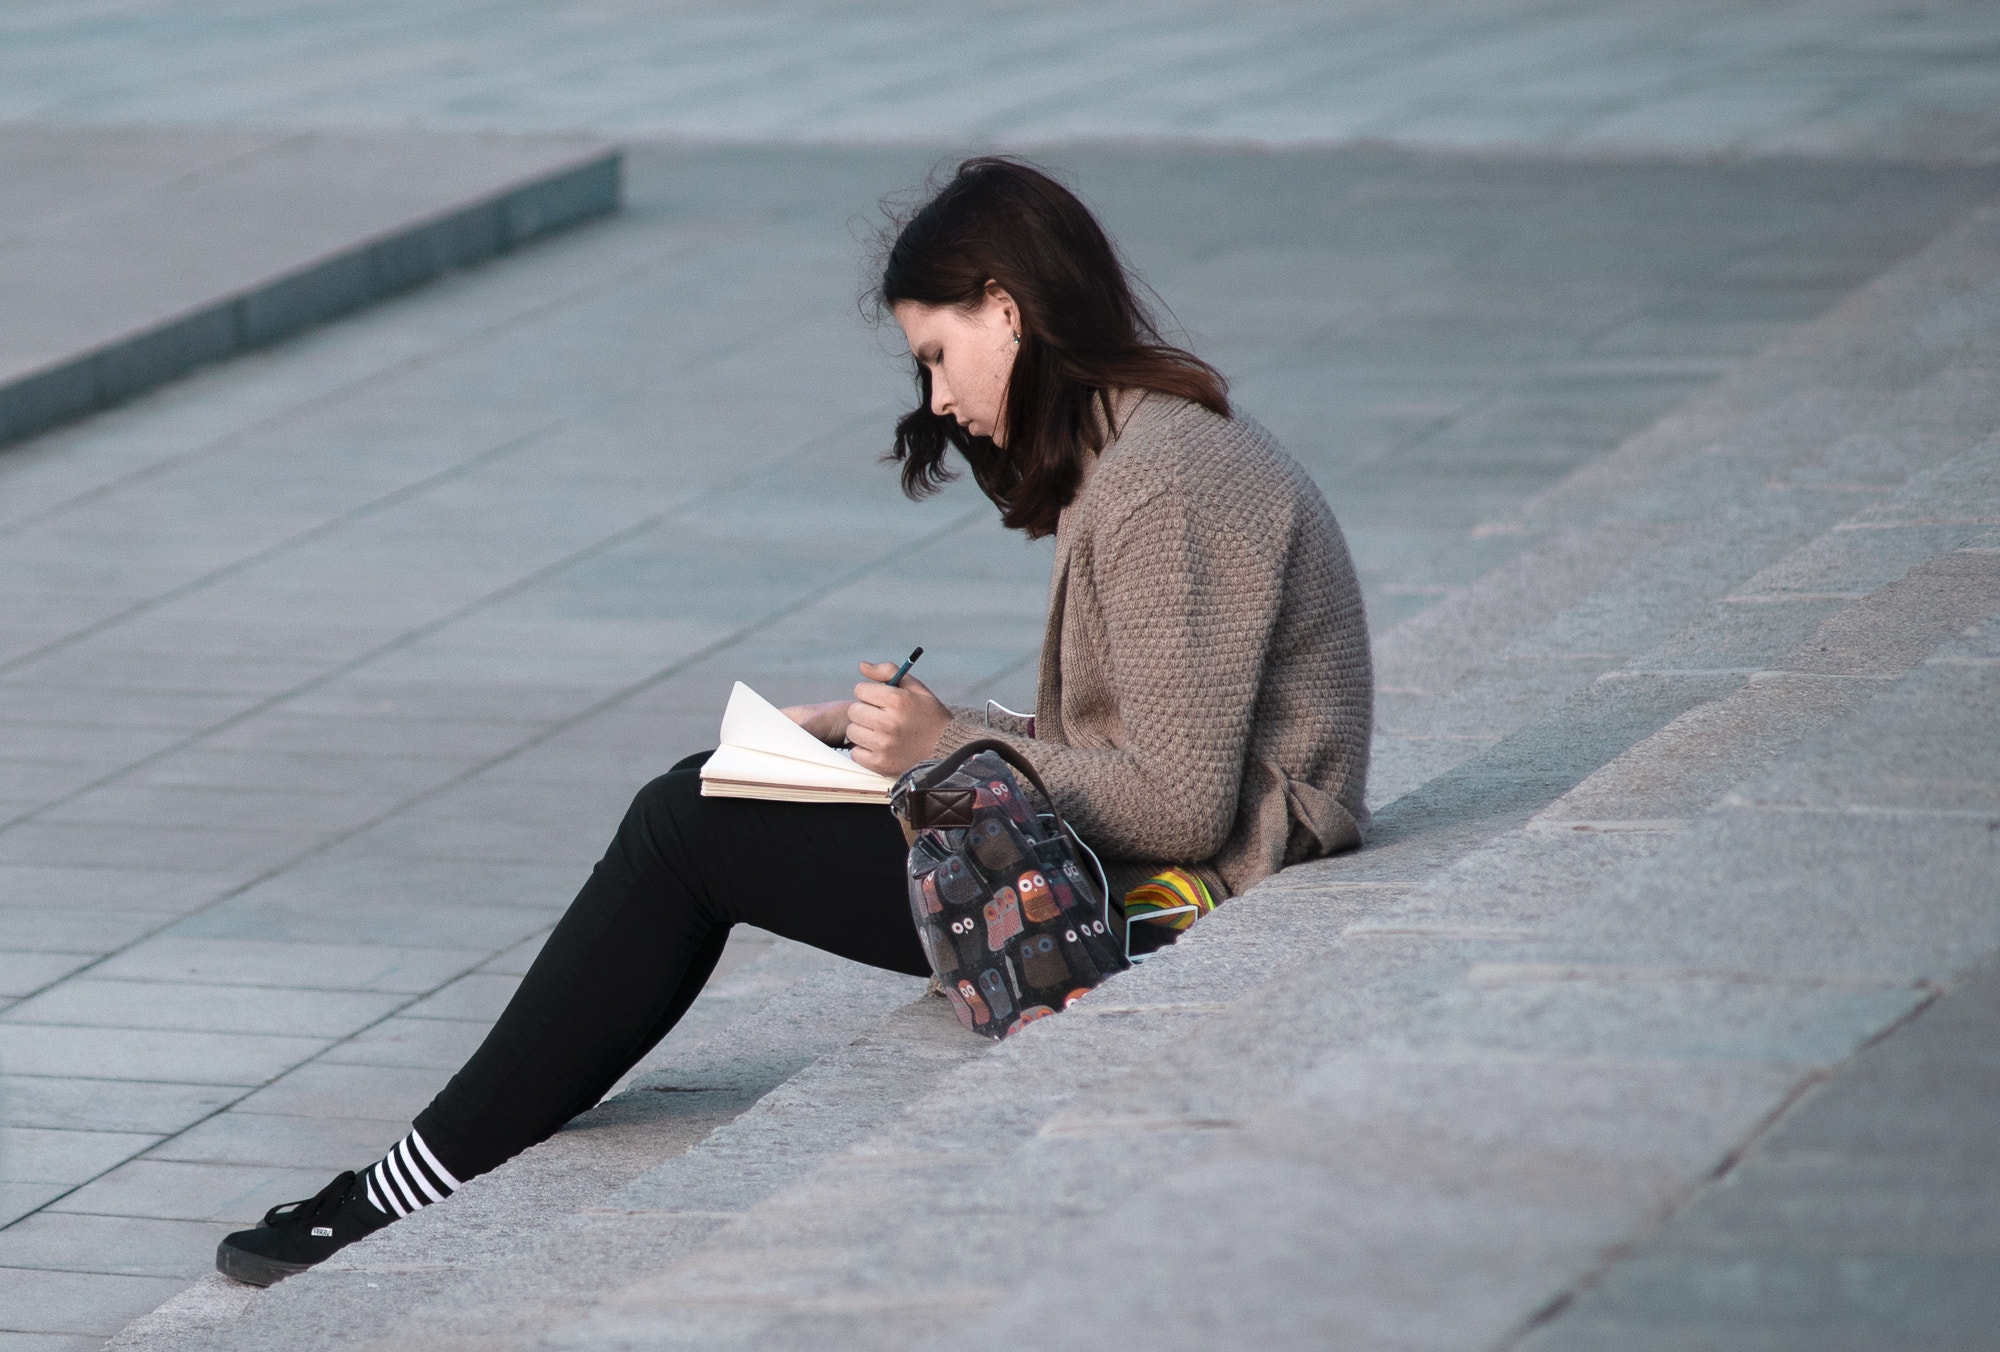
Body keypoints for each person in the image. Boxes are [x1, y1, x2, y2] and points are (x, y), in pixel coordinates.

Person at [215, 156, 1371, 1288]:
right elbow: (1138, 743)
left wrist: (946, 750)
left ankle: (408, 1180)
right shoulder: (1137, 451)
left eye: (936, 353)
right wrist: (909, 732)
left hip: (1188, 894)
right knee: (719, 783)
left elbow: (1176, 799)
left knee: (688, 825)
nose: (936, 398)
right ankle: (441, 1150)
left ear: (1006, 310)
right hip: (1157, 860)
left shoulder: (1161, 480)